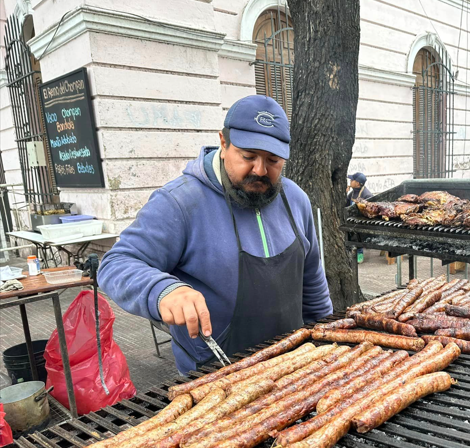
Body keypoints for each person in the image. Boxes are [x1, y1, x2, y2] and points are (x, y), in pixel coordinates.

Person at [98, 95, 333, 373]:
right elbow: (116, 263)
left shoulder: (295, 199)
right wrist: (162, 290)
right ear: (223, 143)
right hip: (215, 371)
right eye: (248, 156)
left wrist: (327, 335)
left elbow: (311, 277)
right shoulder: (180, 202)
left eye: (273, 160)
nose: (260, 170)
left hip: (293, 365)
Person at [346, 172, 373, 263]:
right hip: (352, 219)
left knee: (357, 232)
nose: (350, 181)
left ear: (358, 183)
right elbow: (346, 204)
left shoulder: (367, 195)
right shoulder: (352, 193)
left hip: (362, 221)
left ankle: (360, 252)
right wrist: (345, 193)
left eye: (352, 180)